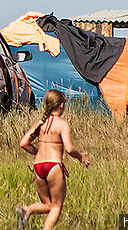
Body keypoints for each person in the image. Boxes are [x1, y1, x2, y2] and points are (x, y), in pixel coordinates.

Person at [17, 89, 90, 230]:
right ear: (61, 105)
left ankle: (27, 210)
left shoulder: (40, 123)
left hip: (38, 166)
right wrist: (81, 157)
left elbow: (23, 143)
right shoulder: (62, 124)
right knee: (56, 206)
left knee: (48, 205)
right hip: (54, 167)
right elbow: (69, 148)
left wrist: (37, 152)